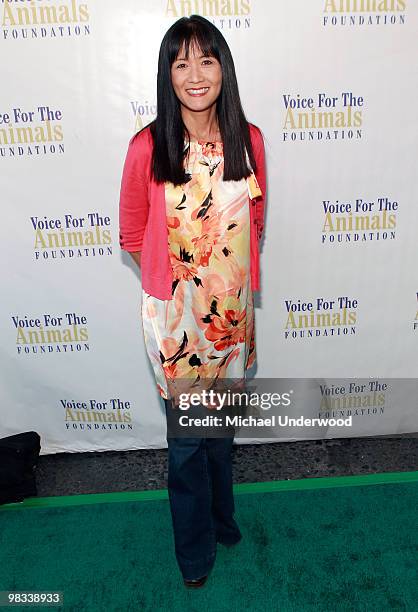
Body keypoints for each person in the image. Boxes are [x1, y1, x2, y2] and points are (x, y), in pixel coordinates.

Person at [118, 14, 266, 588]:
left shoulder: (248, 141)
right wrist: (173, 284)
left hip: (229, 322)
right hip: (177, 325)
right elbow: (132, 231)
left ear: (223, 69)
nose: (195, 74)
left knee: (220, 437)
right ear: (168, 75)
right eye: (181, 63)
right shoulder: (147, 147)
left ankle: (223, 520)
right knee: (187, 446)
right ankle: (195, 552)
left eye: (206, 59)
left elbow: (256, 219)